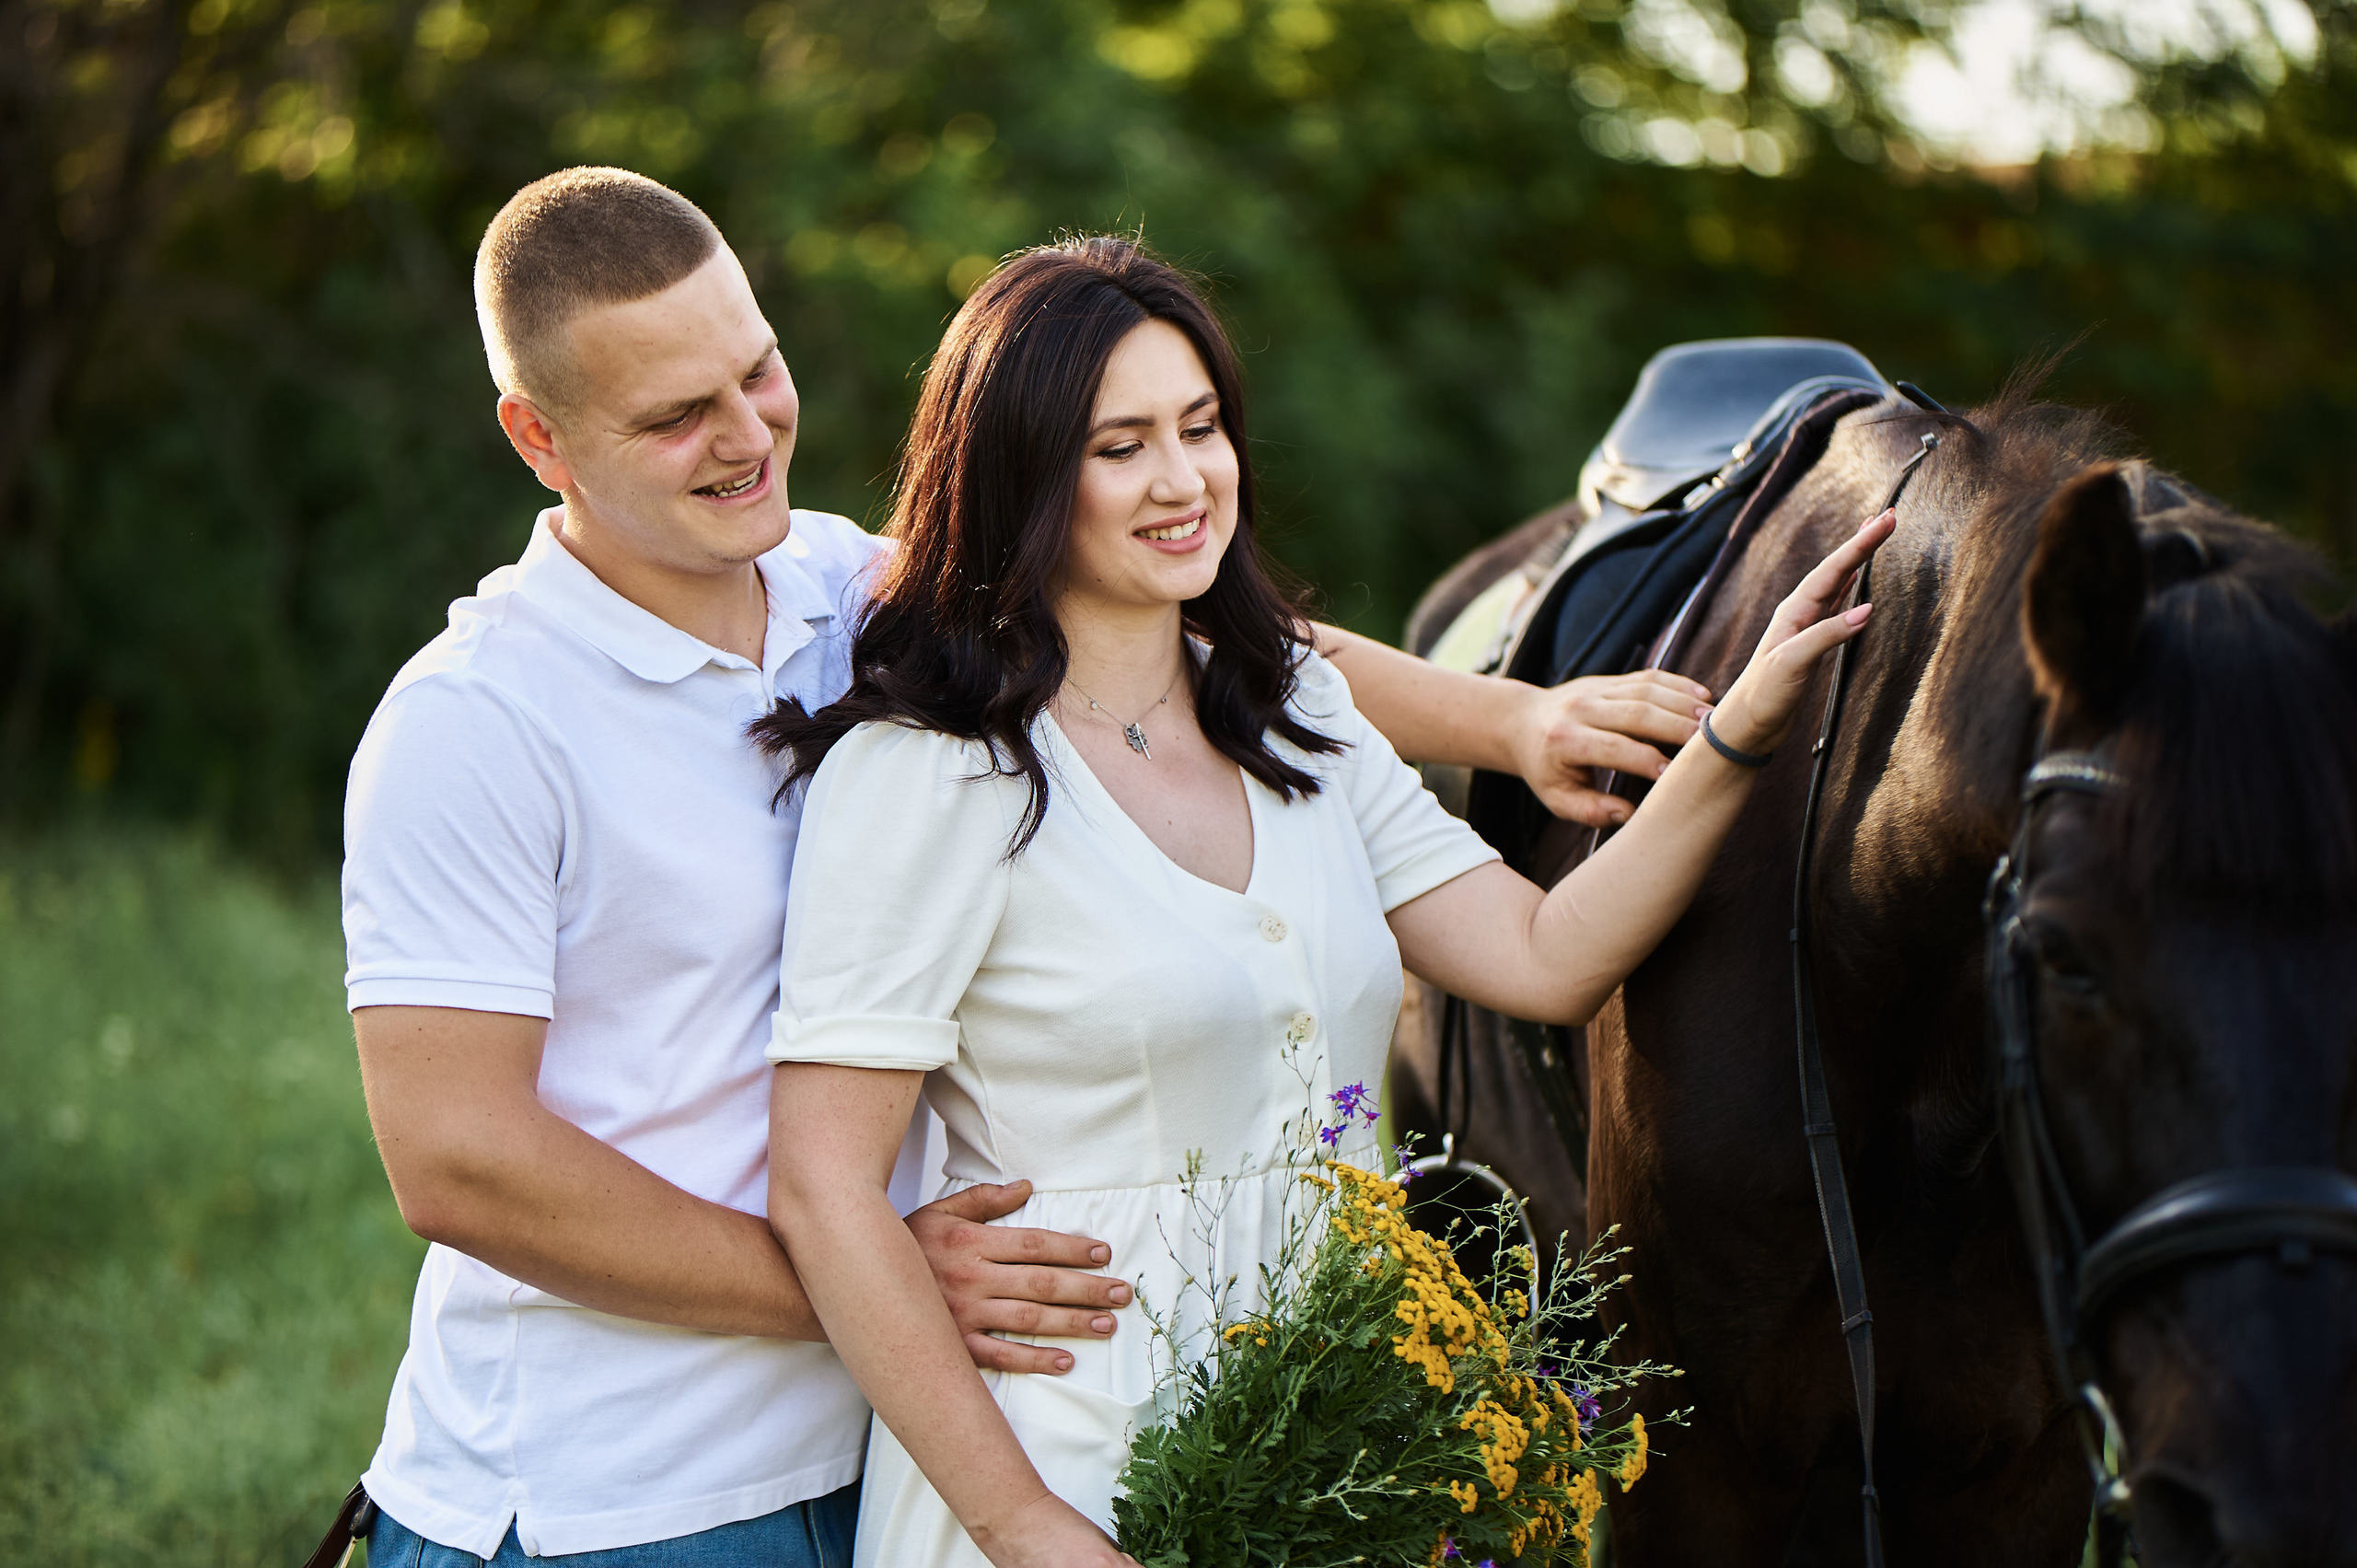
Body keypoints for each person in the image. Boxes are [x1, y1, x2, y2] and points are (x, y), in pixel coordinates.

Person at [340, 171, 1707, 1564]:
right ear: (538, 436)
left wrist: (1514, 719)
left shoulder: (831, 585)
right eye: (677, 416)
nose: (749, 438)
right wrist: (871, 1276)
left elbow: (1180, 624)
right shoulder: (477, 722)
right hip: (620, 1489)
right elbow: (460, 1165)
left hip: (900, 1426)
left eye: (758, 372)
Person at [759, 237, 1895, 1568]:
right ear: (1021, 476)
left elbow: (1545, 954)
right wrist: (1024, 1527)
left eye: (1200, 428)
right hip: (1061, 1464)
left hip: (1337, 1458)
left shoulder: (1294, 711)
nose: (1183, 481)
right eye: (1119, 447)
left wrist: (1740, 736)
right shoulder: (932, 773)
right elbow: (823, 1185)